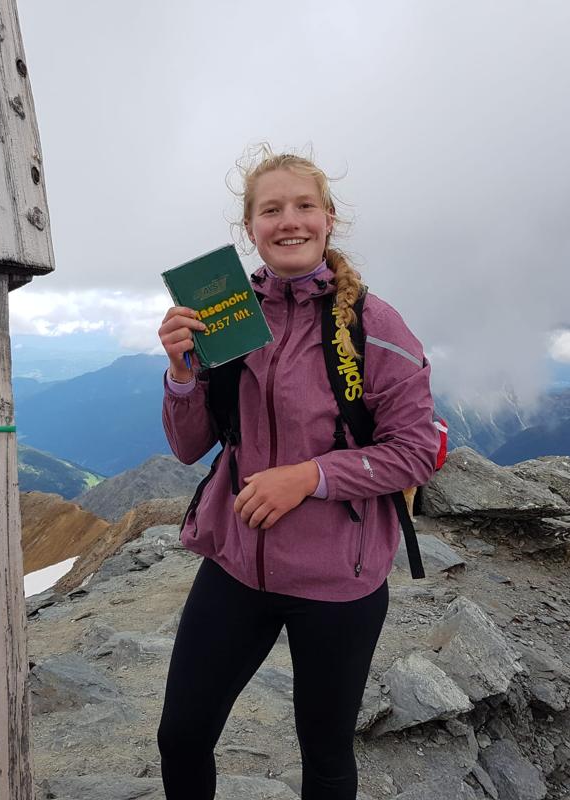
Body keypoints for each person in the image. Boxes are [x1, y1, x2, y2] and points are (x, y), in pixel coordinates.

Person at [156, 145, 440, 800]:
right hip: (236, 563)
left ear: (328, 219)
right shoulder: (222, 314)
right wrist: (180, 375)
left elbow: (415, 452)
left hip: (339, 577)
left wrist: (308, 476)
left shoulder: (375, 325)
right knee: (182, 736)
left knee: (326, 755)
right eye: (271, 210)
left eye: (304, 206)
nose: (289, 221)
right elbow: (190, 446)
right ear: (250, 228)